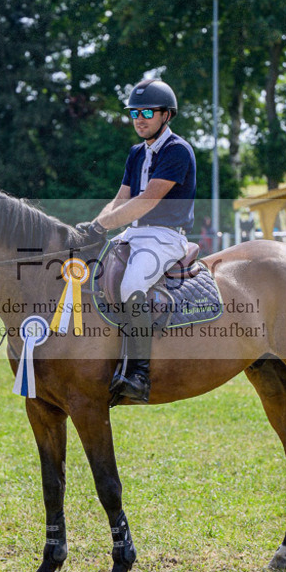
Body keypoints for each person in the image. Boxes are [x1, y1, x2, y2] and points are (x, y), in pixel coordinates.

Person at [91, 78, 196, 403]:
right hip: (134, 233)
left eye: (147, 111)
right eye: (135, 112)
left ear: (166, 114)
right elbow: (121, 199)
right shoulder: (137, 153)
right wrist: (94, 225)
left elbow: (147, 201)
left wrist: (102, 225)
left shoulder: (177, 150)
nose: (140, 117)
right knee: (93, 273)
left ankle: (138, 372)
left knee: (131, 284)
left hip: (165, 237)